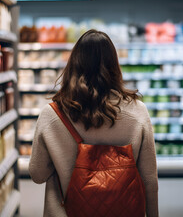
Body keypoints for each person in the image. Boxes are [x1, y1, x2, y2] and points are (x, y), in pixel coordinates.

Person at [29, 29, 159, 217]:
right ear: (114, 65)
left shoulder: (52, 114)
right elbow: (150, 179)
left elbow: (37, 174)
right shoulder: (138, 111)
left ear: (73, 64)